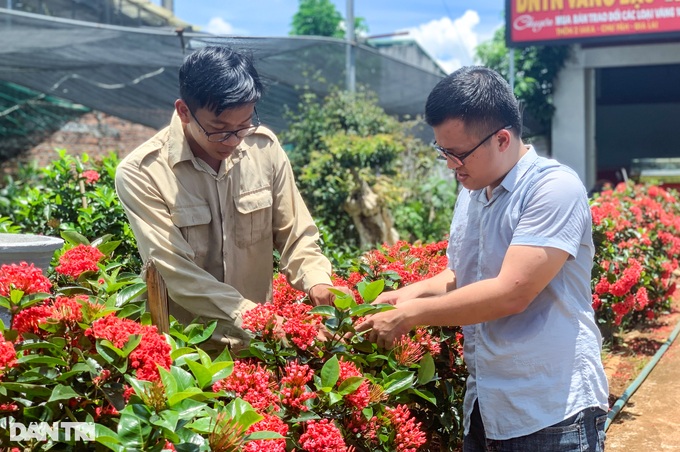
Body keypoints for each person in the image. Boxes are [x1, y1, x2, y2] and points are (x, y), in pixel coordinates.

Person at [356, 66, 609, 451]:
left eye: (457, 155)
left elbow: (512, 292)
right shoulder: (473, 191)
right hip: (487, 403)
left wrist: (411, 316)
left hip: (549, 409)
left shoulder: (553, 188)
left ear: (502, 138)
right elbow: (464, 274)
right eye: (443, 152)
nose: (449, 166)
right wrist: (406, 296)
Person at [115, 45, 340, 349]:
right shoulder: (143, 173)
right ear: (184, 112)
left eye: (243, 125)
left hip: (261, 348)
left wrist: (317, 280)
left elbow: (295, 235)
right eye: (219, 130)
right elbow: (177, 273)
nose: (233, 140)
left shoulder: (263, 149)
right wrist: (257, 319)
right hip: (189, 355)